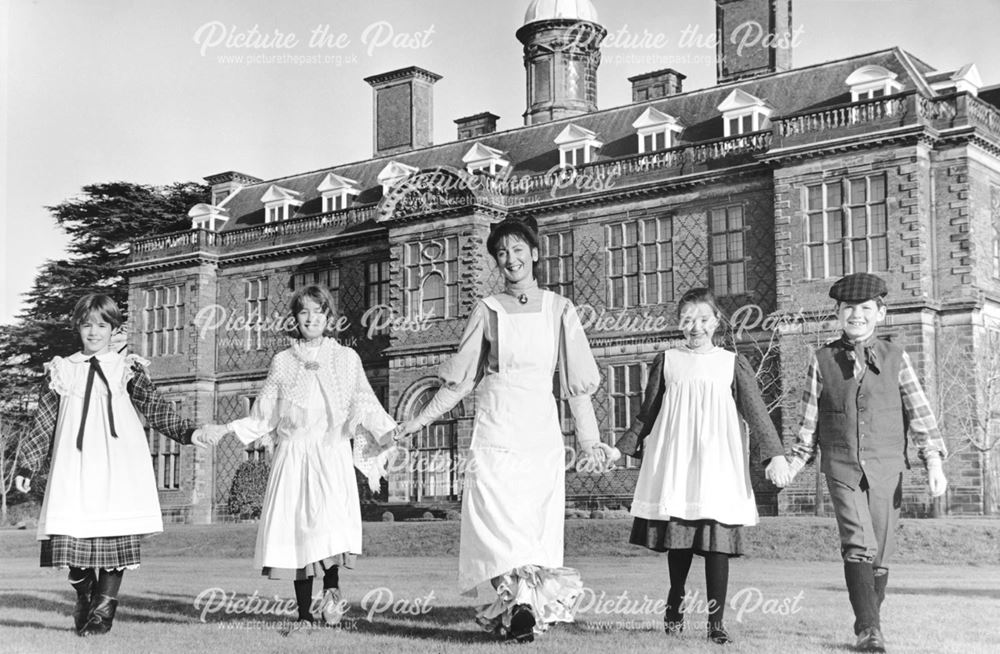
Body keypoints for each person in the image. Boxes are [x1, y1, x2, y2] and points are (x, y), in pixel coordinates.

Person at [394, 216, 615, 643]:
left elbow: (575, 385)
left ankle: (525, 610)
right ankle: (516, 607)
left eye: (517, 250)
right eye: (501, 253)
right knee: (494, 525)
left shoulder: (559, 310)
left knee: (533, 527)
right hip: (494, 427)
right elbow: (459, 383)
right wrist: (416, 422)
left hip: (538, 431)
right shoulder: (488, 309)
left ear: (534, 254)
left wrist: (588, 441)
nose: (510, 259)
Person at [199, 284, 397, 635]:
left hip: (330, 453)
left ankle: (332, 598)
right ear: (295, 318)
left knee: (330, 529)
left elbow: (365, 402)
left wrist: (390, 432)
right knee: (298, 533)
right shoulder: (282, 361)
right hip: (293, 458)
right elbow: (263, 415)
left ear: (329, 317)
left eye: (318, 312)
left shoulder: (346, 359)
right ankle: (304, 615)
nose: (311, 318)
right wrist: (226, 427)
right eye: (304, 312)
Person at [14, 293, 208, 637]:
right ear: (78, 327)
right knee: (70, 542)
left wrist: (188, 432)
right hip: (74, 467)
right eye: (87, 324)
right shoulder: (62, 369)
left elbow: (155, 407)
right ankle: (85, 596)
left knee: (114, 542)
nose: (94, 332)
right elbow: (42, 422)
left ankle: (102, 614)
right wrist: (27, 466)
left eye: (102, 325)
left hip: (119, 466)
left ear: (113, 328)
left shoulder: (126, 367)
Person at [774, 272, 948, 653]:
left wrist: (933, 461)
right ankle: (868, 631)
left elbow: (920, 413)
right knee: (858, 544)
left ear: (880, 313)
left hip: (888, 468)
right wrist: (793, 463)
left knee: (881, 553)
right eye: (849, 308)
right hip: (842, 468)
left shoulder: (896, 357)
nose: (857, 315)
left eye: (866, 308)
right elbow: (808, 424)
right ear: (837, 313)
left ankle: (871, 624)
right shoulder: (821, 360)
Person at [615, 287, 789, 645]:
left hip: (718, 464)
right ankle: (674, 606)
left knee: (716, 545)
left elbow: (756, 412)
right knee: (679, 542)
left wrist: (775, 454)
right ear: (680, 324)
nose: (695, 327)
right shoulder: (668, 361)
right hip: (678, 462)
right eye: (688, 320)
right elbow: (646, 414)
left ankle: (716, 623)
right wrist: (621, 450)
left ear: (716, 321)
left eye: (703, 319)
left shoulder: (731, 363)